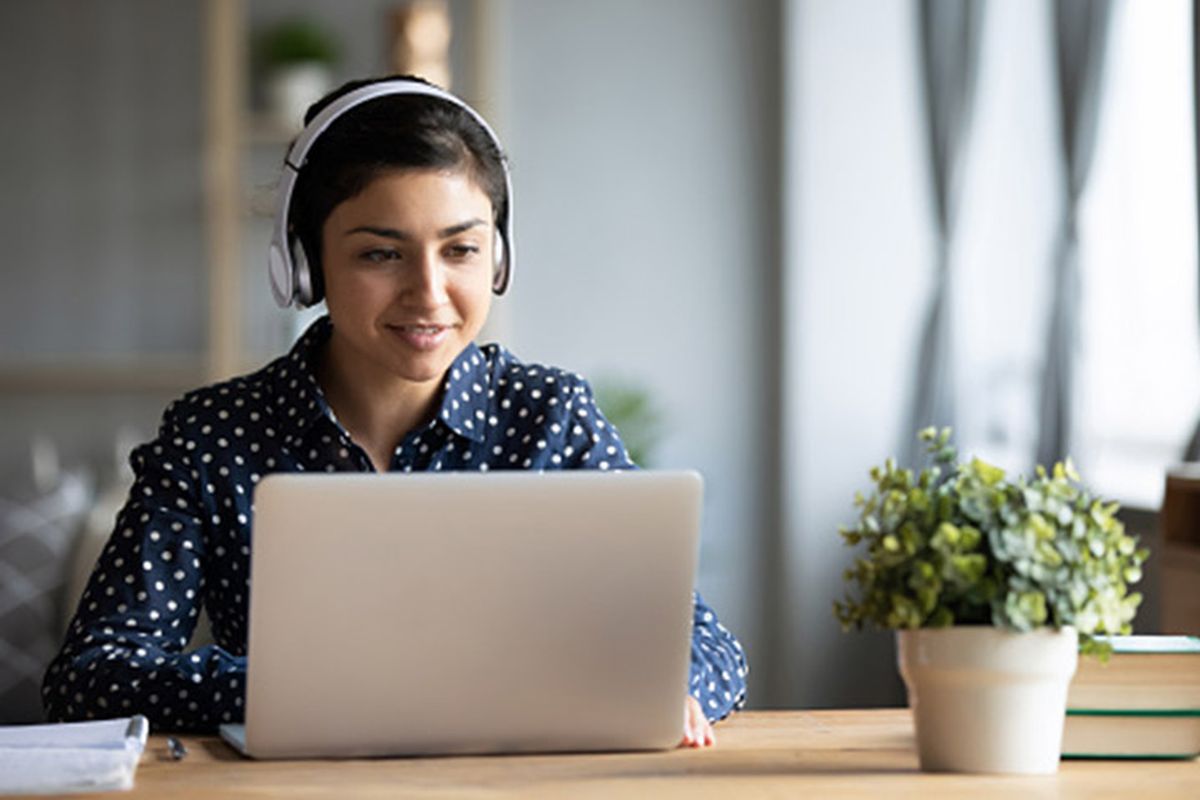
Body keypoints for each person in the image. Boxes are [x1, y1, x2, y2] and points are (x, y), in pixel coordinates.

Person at [42, 76, 748, 747]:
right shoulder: (214, 435)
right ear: (304, 264)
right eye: (382, 253)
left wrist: (663, 686)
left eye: (462, 249)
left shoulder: (551, 417)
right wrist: (308, 690)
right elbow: (92, 677)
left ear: (497, 259)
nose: (429, 293)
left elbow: (710, 648)